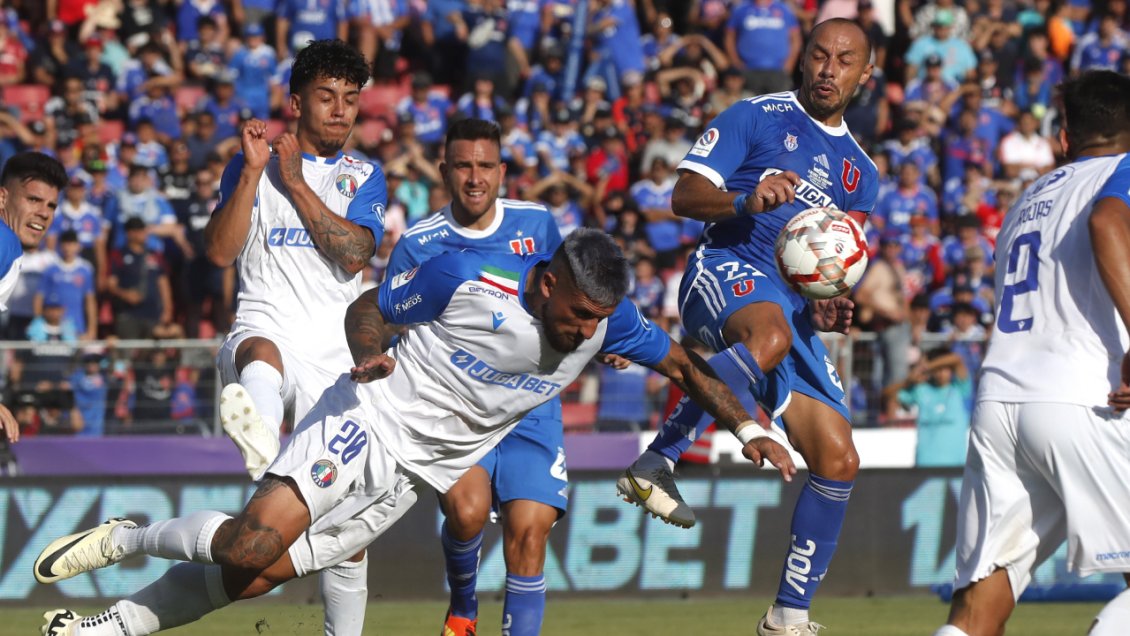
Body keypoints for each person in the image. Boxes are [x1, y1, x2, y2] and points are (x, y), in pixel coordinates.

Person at [33, 229, 797, 636]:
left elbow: (690, 369)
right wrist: (368, 352)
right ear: (546, 282)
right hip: (368, 417)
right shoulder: (472, 282)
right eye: (576, 315)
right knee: (249, 545)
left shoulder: (608, 326)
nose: (585, 333)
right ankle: (132, 537)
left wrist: (750, 427)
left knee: (249, 578)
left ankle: (104, 630)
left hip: (416, 477)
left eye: (599, 323)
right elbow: (371, 306)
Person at [616, 19, 878, 634]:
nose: (827, 69)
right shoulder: (755, 116)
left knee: (838, 458)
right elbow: (681, 196)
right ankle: (658, 459)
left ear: (865, 75)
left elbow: (836, 262)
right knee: (771, 336)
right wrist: (746, 200)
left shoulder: (862, 172)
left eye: (844, 60)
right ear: (801, 59)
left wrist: (830, 302)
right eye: (818, 55)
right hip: (724, 267)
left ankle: (788, 616)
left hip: (787, 310)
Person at [934, 70, 1130, 636]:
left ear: (1065, 136)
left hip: (1001, 401)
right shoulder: (1122, 174)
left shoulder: (1030, 197)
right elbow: (1109, 219)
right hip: (1086, 398)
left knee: (977, 609)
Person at [203, 39, 386, 636]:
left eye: (350, 99)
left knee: (344, 536)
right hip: (264, 325)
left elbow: (357, 254)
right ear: (296, 101)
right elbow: (220, 251)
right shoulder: (249, 163)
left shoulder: (365, 175)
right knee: (261, 353)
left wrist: (295, 182)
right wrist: (257, 173)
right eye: (326, 96)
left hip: (334, 361)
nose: (339, 110)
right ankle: (258, 437)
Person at [386, 117, 565, 636]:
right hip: (459, 407)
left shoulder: (538, 224)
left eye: (485, 165)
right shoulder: (421, 243)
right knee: (466, 513)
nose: (474, 177)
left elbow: (566, 298)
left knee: (530, 535)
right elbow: (391, 316)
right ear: (444, 171)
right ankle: (464, 605)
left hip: (532, 405)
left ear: (502, 171)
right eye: (463, 165)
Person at [0, 151, 67, 444]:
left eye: (51, 205)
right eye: (33, 200)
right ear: (2, 198)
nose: (44, 212)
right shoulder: (5, 245)